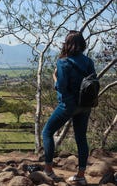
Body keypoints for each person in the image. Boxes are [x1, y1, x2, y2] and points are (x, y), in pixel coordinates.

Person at [42, 30, 96, 185]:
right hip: (85, 105)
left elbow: (61, 87)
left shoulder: (63, 62)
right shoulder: (88, 61)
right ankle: (80, 175)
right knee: (81, 138)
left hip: (68, 105)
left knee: (47, 132)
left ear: (67, 44)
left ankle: (48, 170)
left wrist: (54, 77)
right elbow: (93, 82)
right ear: (82, 44)